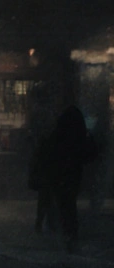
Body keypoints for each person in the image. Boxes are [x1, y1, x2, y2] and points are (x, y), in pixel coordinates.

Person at [35, 106, 91, 249]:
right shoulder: (78, 135)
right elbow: (88, 153)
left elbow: (47, 152)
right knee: (68, 203)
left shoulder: (58, 134)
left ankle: (62, 230)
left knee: (60, 202)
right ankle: (69, 232)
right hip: (72, 173)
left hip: (58, 173)